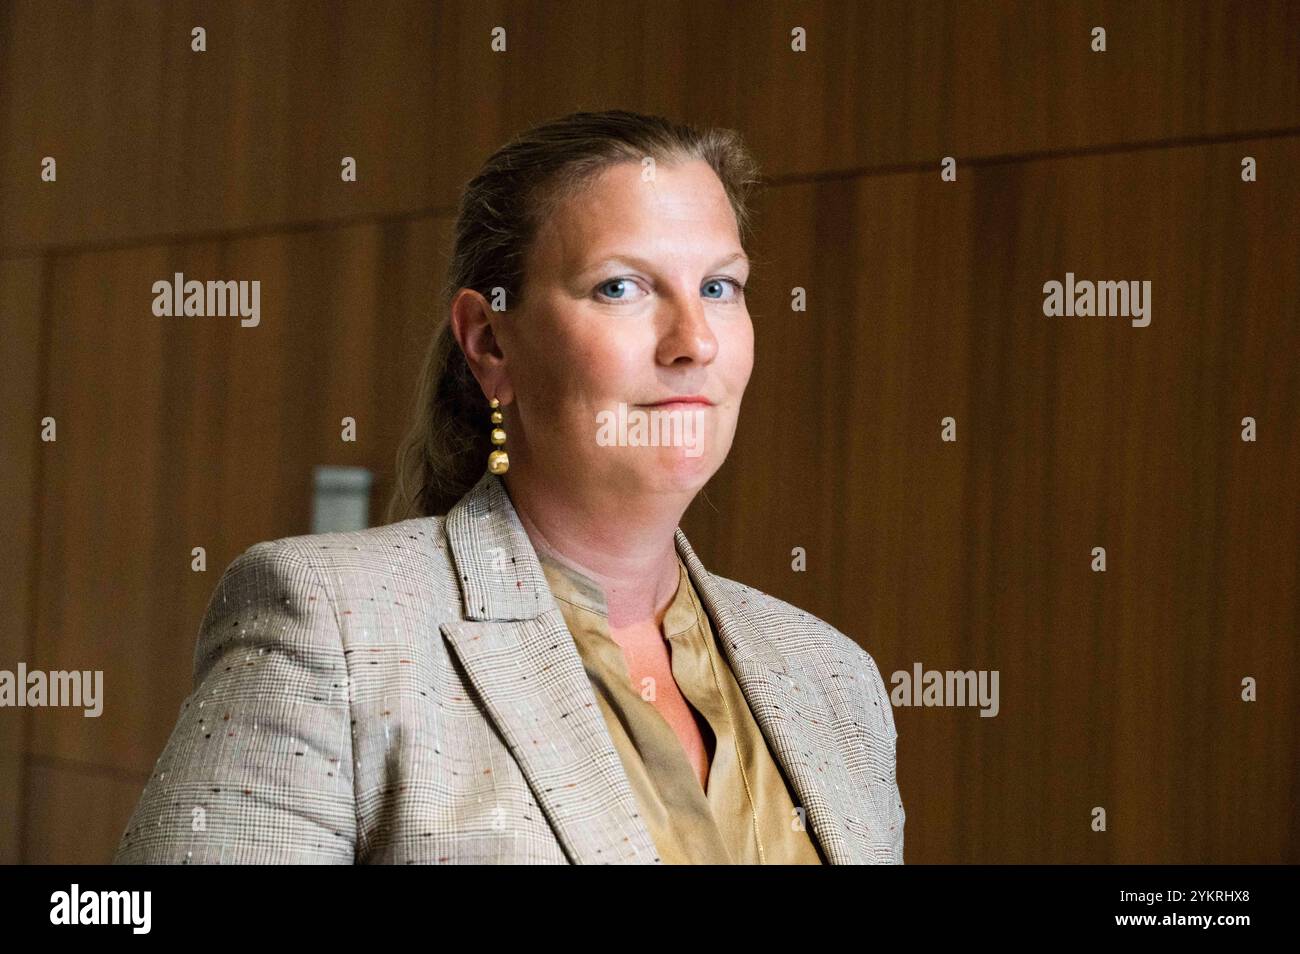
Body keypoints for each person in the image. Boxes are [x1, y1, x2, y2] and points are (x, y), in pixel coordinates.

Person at [113, 109, 904, 865]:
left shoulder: (834, 678)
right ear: (490, 341)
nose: (693, 341)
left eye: (720, 288)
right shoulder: (333, 626)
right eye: (621, 287)